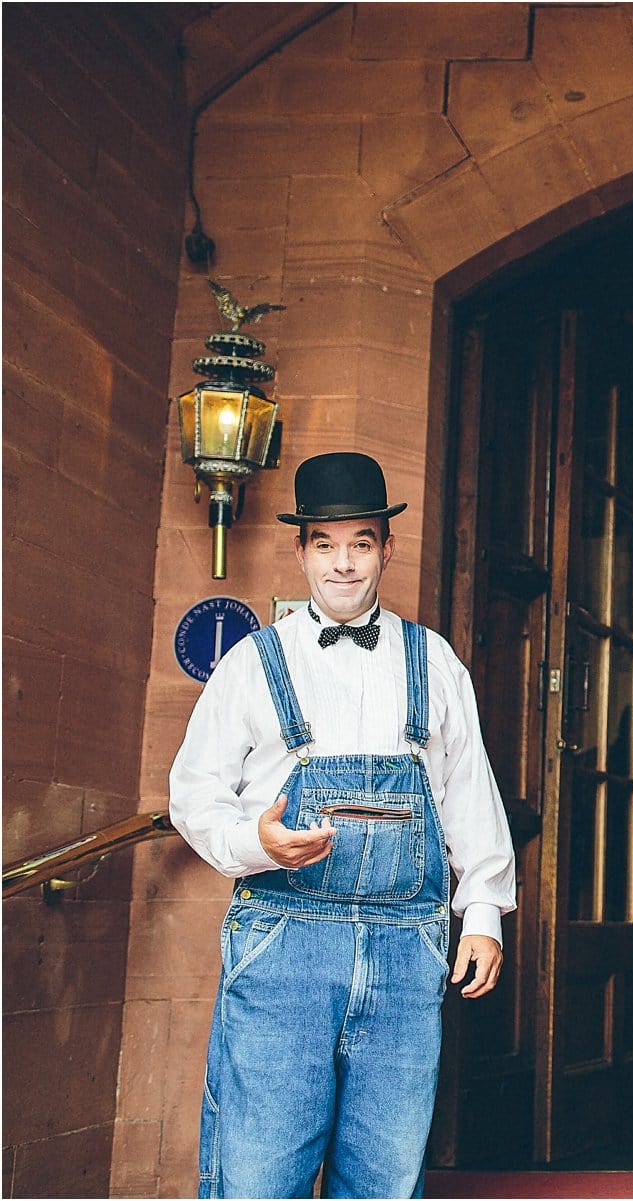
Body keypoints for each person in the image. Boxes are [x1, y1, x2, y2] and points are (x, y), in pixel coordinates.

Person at [169, 452, 517, 1198]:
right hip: (282, 941)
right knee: (259, 1174)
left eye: (361, 542)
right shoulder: (252, 663)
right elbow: (193, 792)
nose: (344, 563)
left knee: (385, 1178)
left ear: (387, 548)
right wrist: (251, 842)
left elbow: (468, 794)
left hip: (405, 948)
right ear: (299, 551)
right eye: (325, 544)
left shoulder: (437, 661)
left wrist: (483, 910)